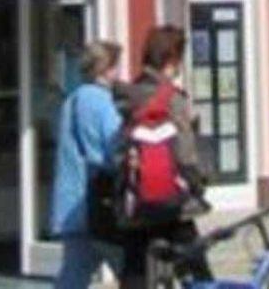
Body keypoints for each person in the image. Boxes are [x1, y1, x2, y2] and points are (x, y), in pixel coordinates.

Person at [118, 25, 211, 289]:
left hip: (138, 199)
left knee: (135, 271)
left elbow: (118, 146)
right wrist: (197, 183)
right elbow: (185, 153)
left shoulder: (128, 96)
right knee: (197, 272)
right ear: (172, 59)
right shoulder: (172, 98)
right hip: (172, 201)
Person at [51, 40, 126, 289]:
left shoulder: (71, 100)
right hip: (97, 203)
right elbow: (113, 147)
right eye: (116, 66)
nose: (119, 72)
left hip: (71, 203)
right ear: (106, 68)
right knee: (130, 270)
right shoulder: (101, 102)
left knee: (73, 274)